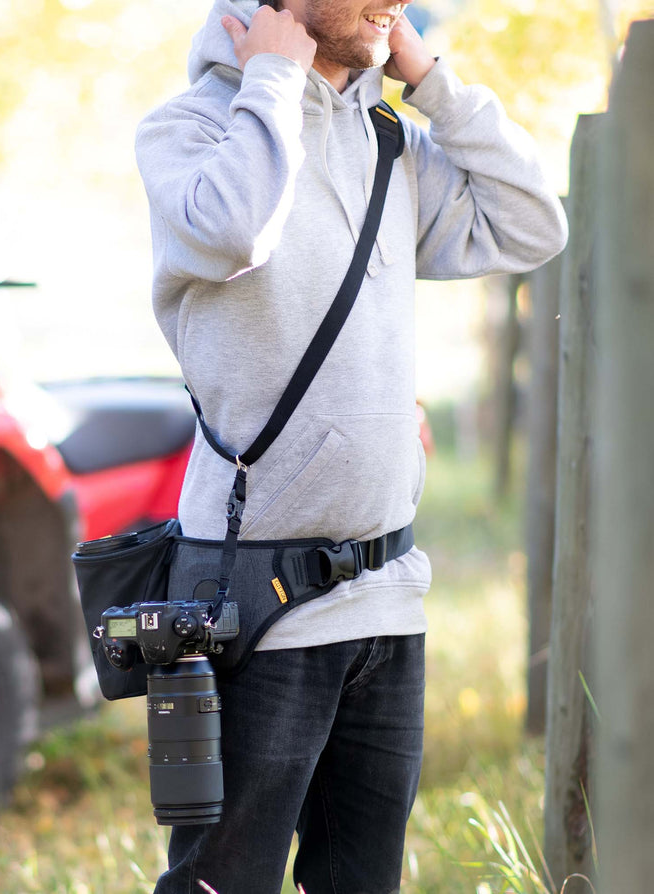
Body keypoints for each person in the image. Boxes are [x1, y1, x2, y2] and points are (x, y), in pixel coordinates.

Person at [135, 1, 567, 891]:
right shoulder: (187, 132)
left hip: (384, 596)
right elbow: (234, 231)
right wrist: (273, 81)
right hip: (253, 596)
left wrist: (435, 85)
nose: (394, 3)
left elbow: (535, 225)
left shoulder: (388, 143)